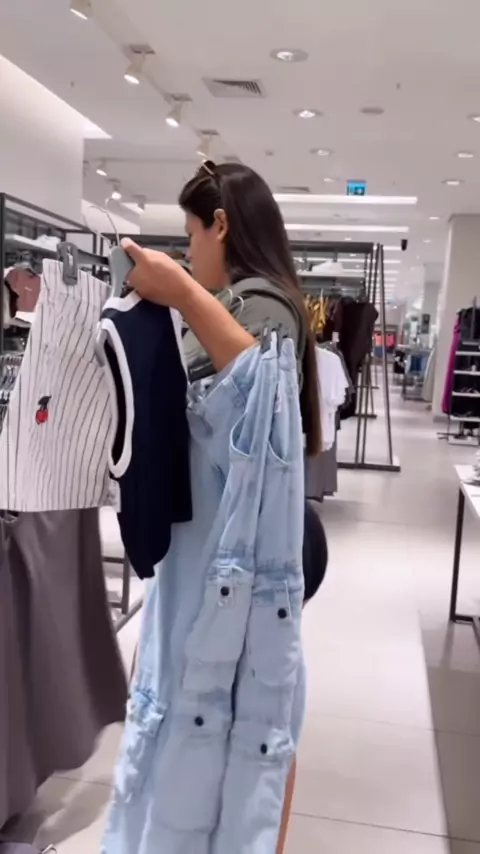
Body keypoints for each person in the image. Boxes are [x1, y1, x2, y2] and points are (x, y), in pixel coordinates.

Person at [122, 160, 326, 854]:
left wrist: (181, 292)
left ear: (221, 224)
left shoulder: (261, 305)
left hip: (255, 537)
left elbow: (255, 388)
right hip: (241, 532)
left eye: (191, 235)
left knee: (256, 711)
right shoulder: (240, 300)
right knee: (252, 703)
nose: (189, 252)